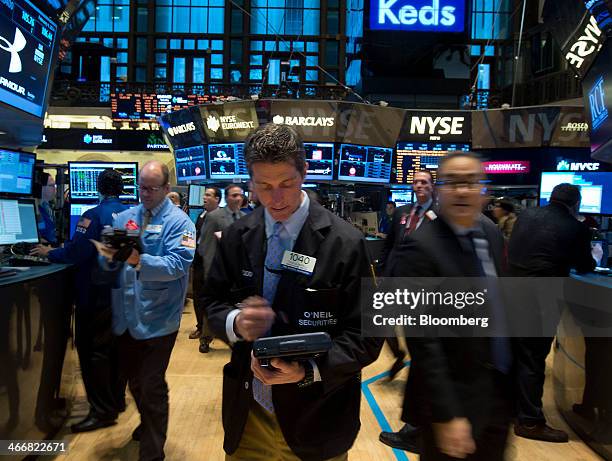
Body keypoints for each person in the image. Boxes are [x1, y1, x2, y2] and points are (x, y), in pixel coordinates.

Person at [202, 124, 382, 460]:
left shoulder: (345, 242)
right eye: (264, 187)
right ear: (250, 182)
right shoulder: (239, 234)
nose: (276, 199)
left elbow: (366, 335)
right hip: (249, 416)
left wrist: (308, 370)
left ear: (304, 172)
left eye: (287, 183)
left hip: (317, 418)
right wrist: (236, 323)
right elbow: (212, 301)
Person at [390, 152, 513, 460]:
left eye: (471, 182)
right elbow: (423, 340)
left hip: (497, 392)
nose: (462, 191)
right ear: (439, 189)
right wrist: (447, 414)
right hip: (451, 403)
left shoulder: (492, 236)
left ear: (483, 190)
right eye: (453, 182)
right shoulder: (420, 246)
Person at [95, 160, 195, 461]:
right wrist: (110, 256)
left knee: (151, 385)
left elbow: (179, 265)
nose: (145, 194)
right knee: (135, 381)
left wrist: (140, 260)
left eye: (152, 188)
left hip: (160, 318)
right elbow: (106, 260)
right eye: (141, 187)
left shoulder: (181, 224)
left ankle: (152, 454)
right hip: (126, 317)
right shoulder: (125, 216)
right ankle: (147, 423)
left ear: (166, 188)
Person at [32, 169, 128, 432]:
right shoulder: (130, 215)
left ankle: (101, 412)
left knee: (92, 353)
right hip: (120, 293)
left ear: (98, 187)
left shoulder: (92, 215)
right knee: (115, 351)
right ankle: (116, 401)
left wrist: (50, 253)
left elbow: (78, 251)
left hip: (93, 295)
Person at [509, 183, 596, 443]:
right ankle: (530, 422)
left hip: (511, 292)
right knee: (534, 359)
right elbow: (585, 264)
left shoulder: (526, 215)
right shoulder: (575, 226)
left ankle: (516, 410)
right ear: (576, 204)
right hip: (540, 299)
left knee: (518, 354)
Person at [379, 170, 436, 453]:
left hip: (422, 293)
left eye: (424, 182)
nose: (420, 186)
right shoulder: (402, 212)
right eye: (416, 182)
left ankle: (416, 428)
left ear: (432, 186)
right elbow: (390, 245)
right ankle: (399, 355)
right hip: (394, 282)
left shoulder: (439, 214)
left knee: (424, 356)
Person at [196, 184, 246, 353]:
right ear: (226, 197)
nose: (238, 198)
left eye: (240, 195)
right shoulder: (215, 216)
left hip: (236, 272)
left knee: (233, 306)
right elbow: (205, 246)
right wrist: (210, 272)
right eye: (234, 195)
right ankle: (205, 338)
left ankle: (232, 338)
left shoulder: (243, 217)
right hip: (217, 270)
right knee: (213, 305)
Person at [189, 187, 221, 344]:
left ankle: (211, 330)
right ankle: (201, 326)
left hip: (213, 264)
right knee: (197, 295)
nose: (204, 197)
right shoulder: (201, 216)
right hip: (199, 262)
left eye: (208, 195)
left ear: (217, 199)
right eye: (204, 194)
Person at [36, 172, 58, 245]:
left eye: (55, 185)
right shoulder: (36, 209)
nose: (55, 189)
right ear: (41, 187)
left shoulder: (49, 206)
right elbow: (41, 231)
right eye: (51, 185)